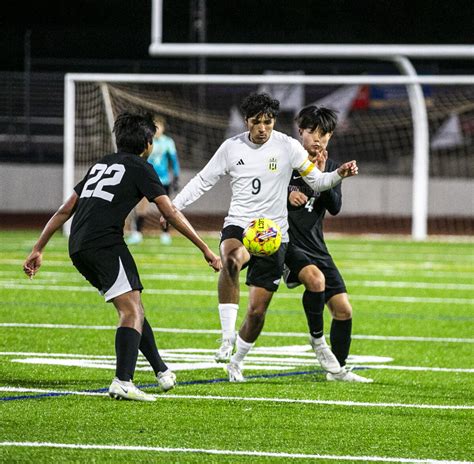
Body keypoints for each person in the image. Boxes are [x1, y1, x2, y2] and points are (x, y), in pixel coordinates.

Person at [23, 111, 221, 401]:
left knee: (134, 304)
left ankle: (161, 371)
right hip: (105, 244)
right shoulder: (141, 167)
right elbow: (170, 212)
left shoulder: (101, 164)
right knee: (130, 311)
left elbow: (66, 209)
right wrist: (204, 248)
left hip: (79, 245)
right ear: (148, 143)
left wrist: (38, 247)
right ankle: (123, 380)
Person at [170, 93, 358, 382]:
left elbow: (320, 183)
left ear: (274, 122)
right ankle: (225, 337)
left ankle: (236, 361)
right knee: (231, 258)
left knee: (257, 312)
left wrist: (338, 175)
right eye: (256, 122)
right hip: (241, 225)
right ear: (246, 122)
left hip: (275, 237)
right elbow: (202, 180)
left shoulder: (287, 147)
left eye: (267, 122)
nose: (262, 128)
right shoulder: (231, 148)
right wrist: (173, 206)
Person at [284, 105, 372, 383]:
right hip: (287, 244)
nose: (317, 139)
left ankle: (337, 370)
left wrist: (324, 178)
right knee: (312, 281)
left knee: (344, 310)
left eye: (324, 133)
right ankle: (316, 340)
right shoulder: (286, 161)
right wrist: (287, 194)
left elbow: (334, 207)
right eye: (312, 131)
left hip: (316, 246)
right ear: (301, 131)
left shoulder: (331, 166)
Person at [127, 114, 181, 245]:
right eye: (155, 126)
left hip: (163, 181)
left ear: (163, 128)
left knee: (165, 209)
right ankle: (137, 233)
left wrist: (176, 176)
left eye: (159, 126)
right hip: (146, 179)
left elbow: (174, 161)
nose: (157, 129)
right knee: (141, 207)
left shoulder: (168, 142)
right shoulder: (146, 141)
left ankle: (165, 234)